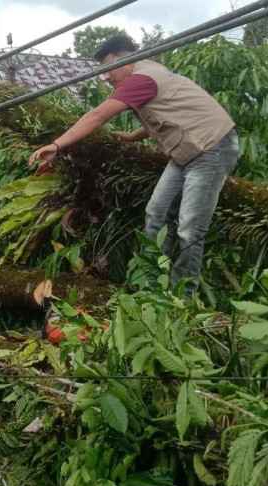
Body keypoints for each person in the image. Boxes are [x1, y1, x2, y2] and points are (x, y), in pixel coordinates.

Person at [29, 35, 239, 295]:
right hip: (186, 152)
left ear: (127, 59)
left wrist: (57, 145)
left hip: (212, 149)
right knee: (156, 215)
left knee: (189, 227)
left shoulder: (141, 78)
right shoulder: (151, 73)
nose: (106, 78)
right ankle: (153, 287)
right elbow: (168, 115)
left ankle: (184, 298)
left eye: (109, 69)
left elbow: (98, 115)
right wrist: (132, 136)